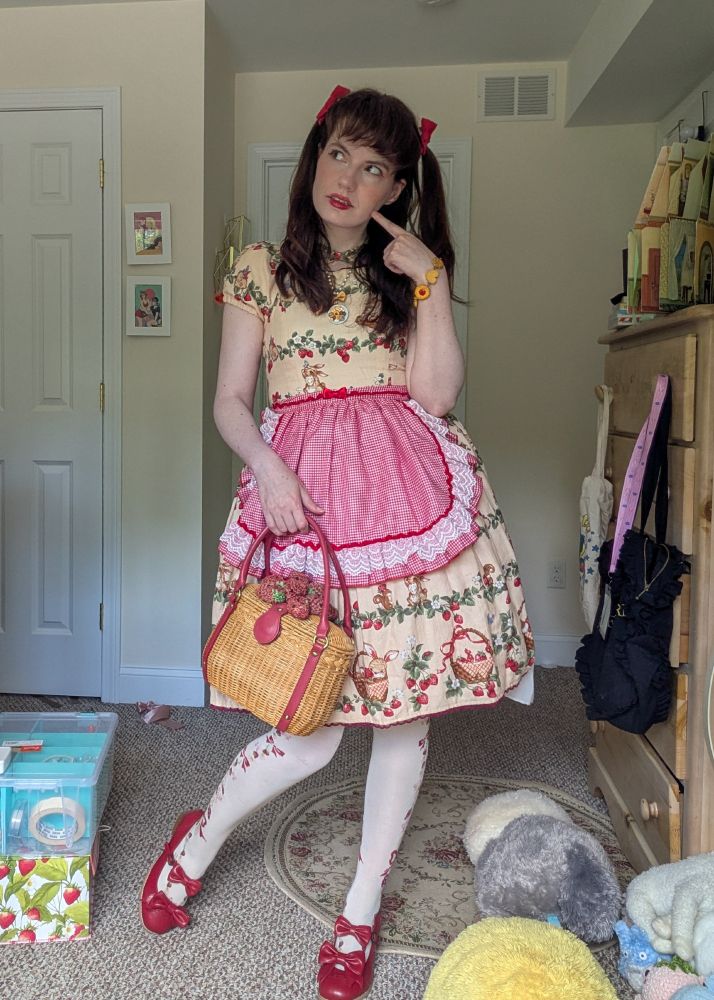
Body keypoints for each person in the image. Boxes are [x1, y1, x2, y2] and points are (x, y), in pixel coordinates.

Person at [140, 86, 535, 1000]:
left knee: (402, 715)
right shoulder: (261, 268)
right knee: (305, 724)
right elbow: (230, 401)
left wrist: (431, 281)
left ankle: (359, 907)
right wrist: (268, 470)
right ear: (315, 155)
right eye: (339, 154)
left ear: (399, 186)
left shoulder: (408, 275)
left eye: (375, 166)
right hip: (306, 502)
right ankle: (197, 840)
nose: (349, 178)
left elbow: (437, 396)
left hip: (404, 501)